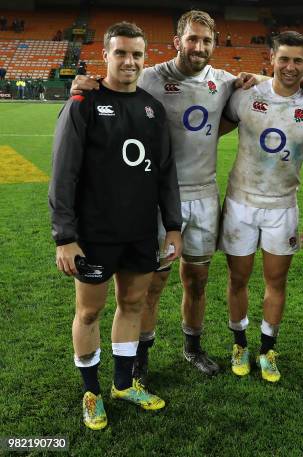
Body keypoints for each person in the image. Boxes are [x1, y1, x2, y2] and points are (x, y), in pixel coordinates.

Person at [71, 10, 262, 383]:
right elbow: (113, 81)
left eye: (206, 40)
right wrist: (86, 82)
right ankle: (141, 355)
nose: (199, 47)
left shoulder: (223, 82)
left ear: (214, 43)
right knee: (153, 284)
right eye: (192, 39)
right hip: (158, 197)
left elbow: (270, 87)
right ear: (177, 41)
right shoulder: (150, 77)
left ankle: (193, 347)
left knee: (197, 280)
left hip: (204, 194)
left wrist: (277, 78)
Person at [49, 22, 182, 431]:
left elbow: (164, 173)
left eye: (137, 54)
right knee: (89, 312)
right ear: (106, 54)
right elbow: (63, 173)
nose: (129, 61)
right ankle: (91, 392)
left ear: (145, 58)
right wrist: (65, 237)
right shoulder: (84, 102)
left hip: (140, 231)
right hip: (94, 235)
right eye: (121, 53)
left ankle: (123, 384)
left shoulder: (151, 108)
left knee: (132, 306)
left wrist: (173, 226)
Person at [219, 31, 303, 382]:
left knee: (276, 282)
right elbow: (208, 132)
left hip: (283, 208)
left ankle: (268, 349)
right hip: (240, 203)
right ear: (271, 58)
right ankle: (240, 343)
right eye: (284, 58)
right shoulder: (246, 96)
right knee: (237, 278)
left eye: (298, 60)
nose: (290, 66)